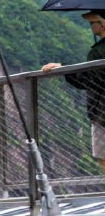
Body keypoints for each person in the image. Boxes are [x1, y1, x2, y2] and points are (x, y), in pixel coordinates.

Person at [44, 10, 105, 176]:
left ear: (103, 24)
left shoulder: (98, 52)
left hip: (102, 111)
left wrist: (64, 69)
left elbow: (89, 80)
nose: (91, 26)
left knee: (103, 155)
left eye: (93, 22)